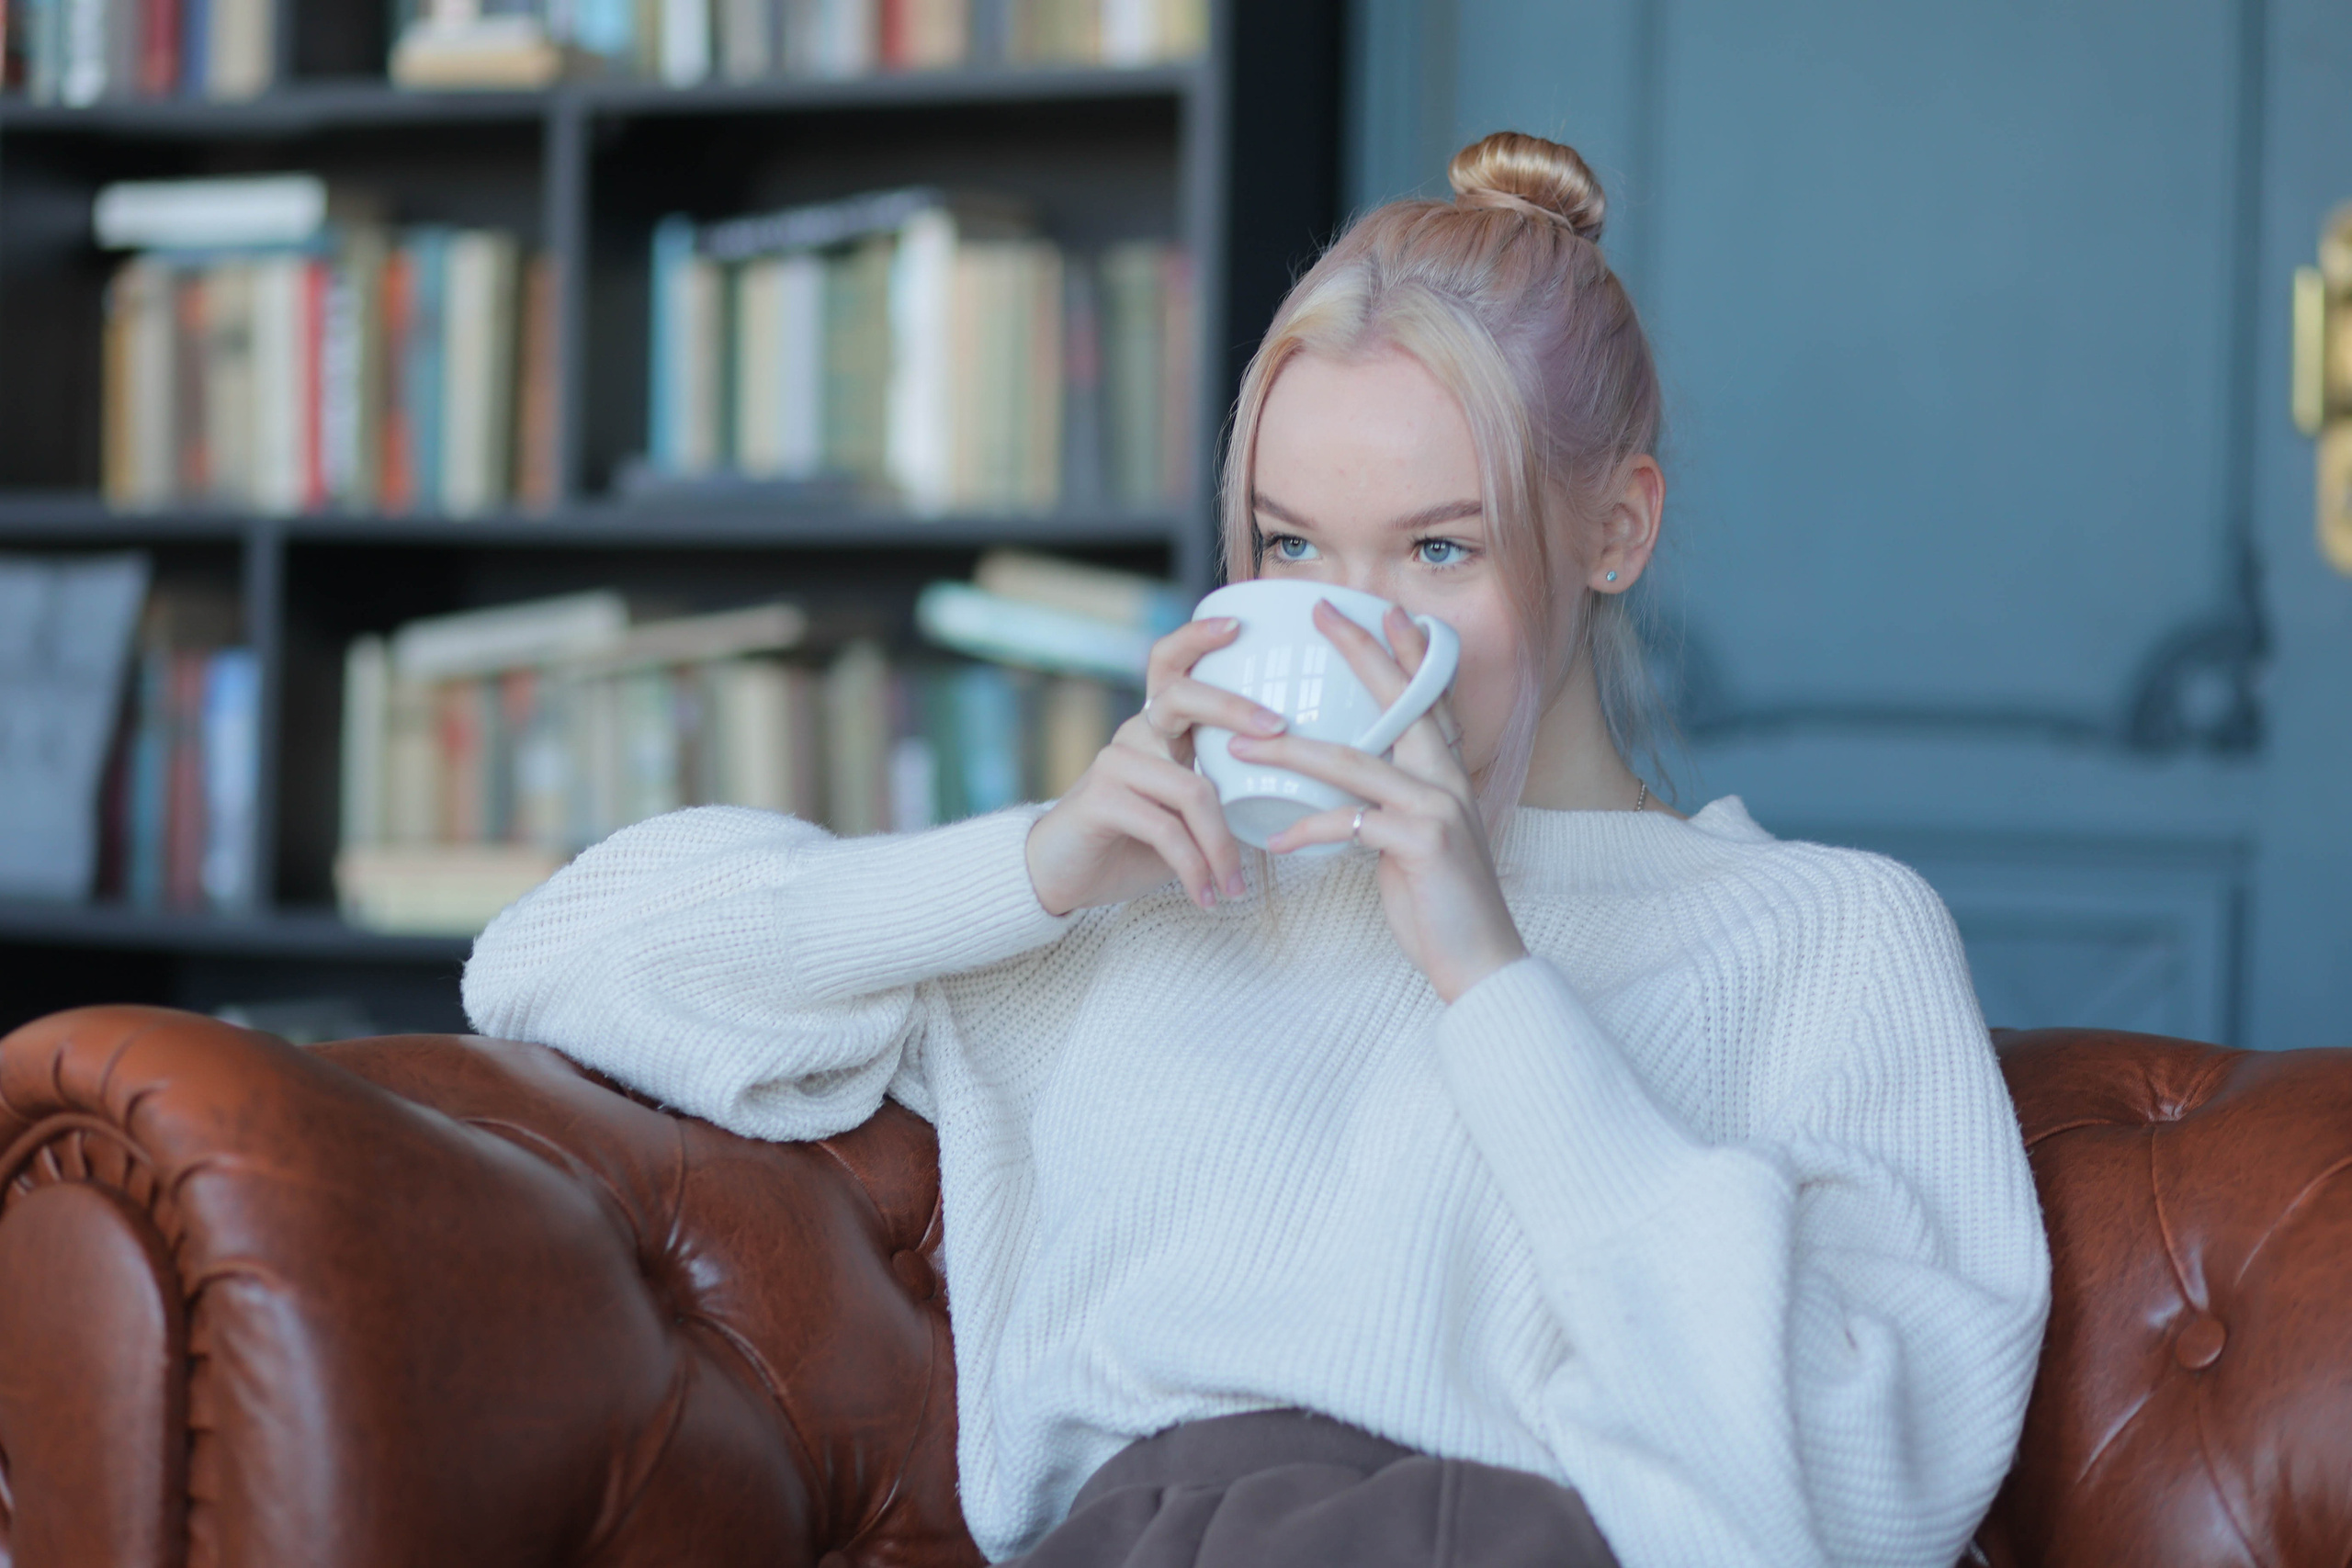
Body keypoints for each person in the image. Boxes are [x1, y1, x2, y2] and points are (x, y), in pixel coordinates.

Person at [462, 131, 2051, 1568]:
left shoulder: (1822, 937)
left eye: (1440, 548)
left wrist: (1487, 972)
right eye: (1291, 546)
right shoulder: (1148, 900)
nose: (1352, 625)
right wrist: (1040, 865)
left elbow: (1851, 1499)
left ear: (1616, 530)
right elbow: (548, 962)